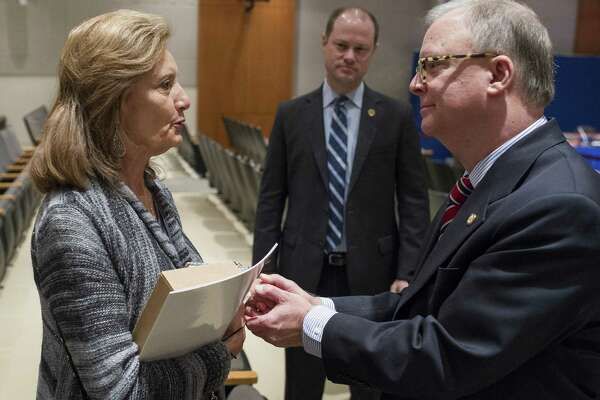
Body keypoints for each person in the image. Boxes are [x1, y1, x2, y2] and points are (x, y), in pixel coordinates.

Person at [245, 0, 600, 399]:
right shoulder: (489, 181)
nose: (416, 83)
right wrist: (318, 305)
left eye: (434, 64)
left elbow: (449, 354)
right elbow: (420, 308)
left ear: (498, 74)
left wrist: (312, 323)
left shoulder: (559, 207)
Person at [29, 10, 244, 399]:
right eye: (165, 85)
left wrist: (227, 302)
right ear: (114, 100)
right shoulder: (71, 222)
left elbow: (179, 278)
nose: (184, 100)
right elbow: (121, 391)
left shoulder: (148, 187)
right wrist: (218, 354)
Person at [252, 6, 429, 400]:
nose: (350, 56)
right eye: (342, 45)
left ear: (373, 52)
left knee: (368, 382)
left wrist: (409, 271)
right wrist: (261, 272)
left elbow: (414, 199)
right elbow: (270, 200)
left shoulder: (396, 116)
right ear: (325, 44)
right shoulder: (292, 115)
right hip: (302, 271)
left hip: (373, 275)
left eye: (360, 49)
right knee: (302, 382)